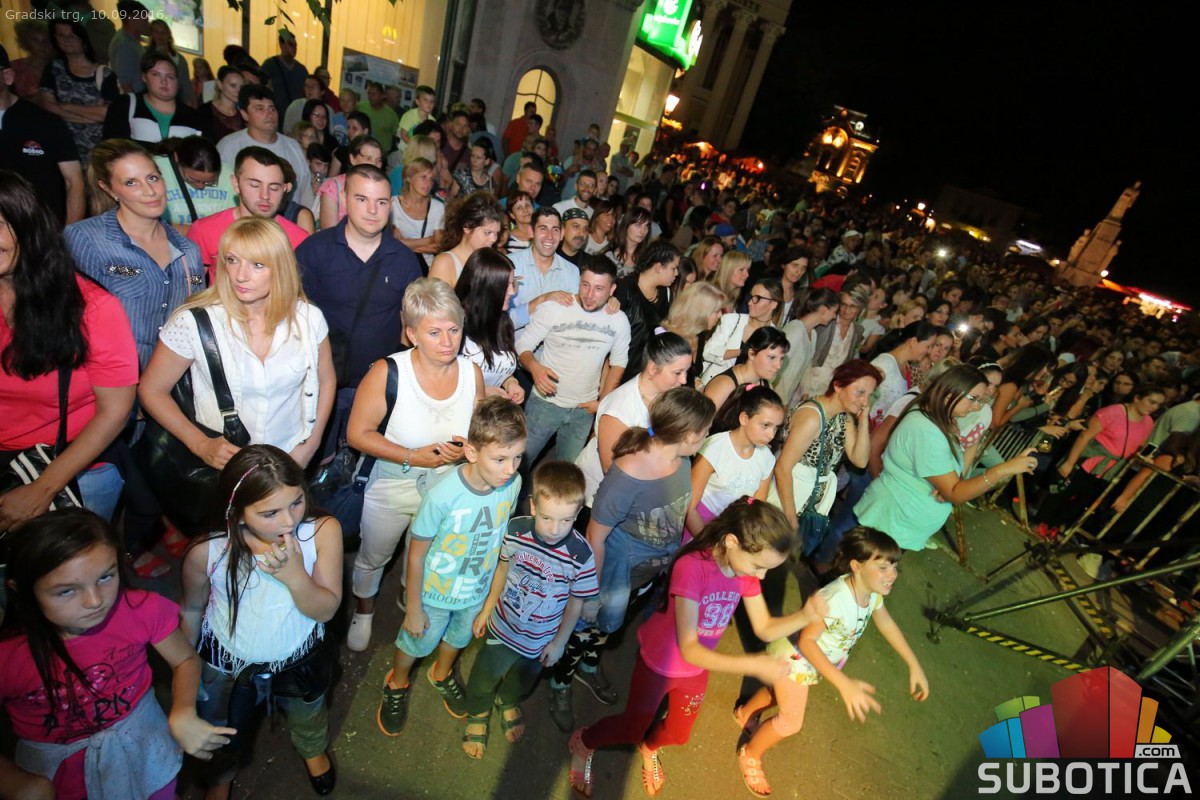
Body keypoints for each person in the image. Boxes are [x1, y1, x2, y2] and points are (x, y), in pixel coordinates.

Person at [567, 498, 827, 797]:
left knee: (678, 735)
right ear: (732, 542)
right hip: (660, 665)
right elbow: (689, 647)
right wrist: (752, 664)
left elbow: (765, 627)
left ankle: (648, 747)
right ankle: (584, 742)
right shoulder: (692, 567)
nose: (761, 576)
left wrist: (805, 616)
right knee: (631, 727)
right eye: (759, 566)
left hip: (697, 668)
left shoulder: (744, 572)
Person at [0, 510, 232, 800]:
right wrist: (14, 781)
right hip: (56, 773)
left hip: (145, 748)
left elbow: (185, 659)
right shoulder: (7, 656)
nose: (95, 600)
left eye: (106, 577)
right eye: (66, 591)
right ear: (22, 591)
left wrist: (183, 709)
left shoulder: (141, 609)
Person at [549, 388, 715, 733]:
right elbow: (595, 536)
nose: (707, 437)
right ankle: (560, 680)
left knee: (608, 627)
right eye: (705, 432)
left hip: (643, 574)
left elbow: (676, 512)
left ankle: (588, 665)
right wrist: (591, 594)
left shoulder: (682, 461)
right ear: (687, 435)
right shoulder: (627, 475)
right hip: (612, 573)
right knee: (585, 628)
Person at [179, 446, 342, 796]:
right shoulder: (207, 551)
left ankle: (312, 748)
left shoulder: (321, 532)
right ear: (237, 513)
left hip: (298, 658)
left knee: (307, 711)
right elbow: (191, 609)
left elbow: (326, 610)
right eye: (270, 513)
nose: (289, 521)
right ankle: (221, 775)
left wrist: (295, 576)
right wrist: (186, 669)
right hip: (225, 664)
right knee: (221, 723)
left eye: (296, 502)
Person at [140, 216, 335, 484]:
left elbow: (326, 380)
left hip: (290, 459)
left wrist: (311, 445)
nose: (241, 275)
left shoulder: (309, 318)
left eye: (257, 265)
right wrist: (199, 444)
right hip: (223, 470)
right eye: (232, 260)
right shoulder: (193, 322)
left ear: (281, 267)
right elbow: (151, 390)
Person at [736, 528, 929, 797]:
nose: (892, 574)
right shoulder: (835, 598)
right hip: (795, 660)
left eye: (894, 566)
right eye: (883, 567)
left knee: (779, 694)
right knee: (791, 721)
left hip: (809, 662)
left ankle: (745, 714)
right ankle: (751, 754)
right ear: (857, 567)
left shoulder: (872, 593)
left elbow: (885, 622)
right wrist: (843, 684)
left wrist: (913, 664)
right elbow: (807, 642)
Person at [345, 279, 483, 651]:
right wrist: (413, 456)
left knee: (426, 551)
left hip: (446, 486)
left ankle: (411, 595)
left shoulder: (471, 373)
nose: (447, 341)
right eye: (434, 332)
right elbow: (357, 434)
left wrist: (466, 450)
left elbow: (477, 432)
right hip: (393, 483)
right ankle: (364, 608)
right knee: (375, 554)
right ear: (411, 334)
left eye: (454, 330)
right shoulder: (388, 372)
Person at [377, 397, 525, 733]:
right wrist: (414, 608)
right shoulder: (442, 496)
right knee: (415, 643)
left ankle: (441, 674)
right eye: (500, 459)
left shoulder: (512, 484)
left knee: (459, 638)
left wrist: (490, 598)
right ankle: (397, 682)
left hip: (476, 590)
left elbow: (500, 539)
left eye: (517, 457)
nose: (511, 469)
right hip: (434, 595)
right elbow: (416, 554)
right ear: (472, 452)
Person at [0, 171, 137, 530]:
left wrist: (43, 488)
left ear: (30, 227)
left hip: (71, 469)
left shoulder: (92, 308)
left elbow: (115, 411)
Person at [460, 460, 598, 758]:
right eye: (547, 517)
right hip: (503, 626)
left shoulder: (581, 554)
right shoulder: (515, 530)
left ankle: (508, 701)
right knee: (485, 675)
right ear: (533, 505)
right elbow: (502, 567)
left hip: (540, 640)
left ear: (578, 513)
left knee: (522, 680)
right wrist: (486, 609)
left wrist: (559, 643)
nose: (554, 529)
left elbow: (576, 601)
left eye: (566, 520)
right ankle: (477, 713)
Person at [854, 365, 1040, 551]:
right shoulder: (927, 430)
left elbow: (952, 480)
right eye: (973, 399)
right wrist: (1004, 469)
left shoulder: (941, 420)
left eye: (980, 401)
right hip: (890, 523)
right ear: (951, 393)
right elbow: (956, 493)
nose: (976, 407)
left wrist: (949, 485)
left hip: (899, 525)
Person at [65, 139, 204, 369]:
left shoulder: (188, 251)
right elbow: (66, 318)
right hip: (107, 378)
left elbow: (194, 324)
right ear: (108, 189)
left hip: (171, 380)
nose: (150, 191)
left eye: (153, 178)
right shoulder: (86, 239)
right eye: (131, 182)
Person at [518, 256, 631, 466]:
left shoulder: (619, 320)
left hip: (583, 410)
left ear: (612, 290)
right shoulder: (555, 308)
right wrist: (535, 368)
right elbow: (522, 346)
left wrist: (602, 403)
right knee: (519, 464)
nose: (589, 294)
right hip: (544, 404)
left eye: (599, 288)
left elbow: (618, 363)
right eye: (585, 285)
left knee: (566, 472)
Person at [771, 360, 879, 565]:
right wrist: (791, 520)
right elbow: (783, 468)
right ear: (838, 385)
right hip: (783, 498)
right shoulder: (812, 417)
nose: (865, 401)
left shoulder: (844, 418)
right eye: (860, 392)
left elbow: (860, 460)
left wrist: (864, 419)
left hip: (804, 500)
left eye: (869, 395)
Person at [186, 147, 311, 281]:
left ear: (285, 188)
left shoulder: (300, 240)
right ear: (236, 183)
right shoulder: (205, 230)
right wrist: (197, 289)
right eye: (254, 185)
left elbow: (303, 287)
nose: (265, 195)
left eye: (274, 188)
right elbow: (192, 279)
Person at [0, 45, 86, 227]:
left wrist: (71, 234)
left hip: (40, 229)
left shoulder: (44, 122)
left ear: (7, 76)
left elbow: (74, 181)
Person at [687, 388, 785, 532]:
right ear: (744, 418)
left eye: (776, 428)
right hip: (698, 525)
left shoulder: (766, 459)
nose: (771, 435)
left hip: (732, 529)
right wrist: (707, 541)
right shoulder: (715, 447)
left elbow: (754, 510)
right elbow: (689, 508)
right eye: (765, 425)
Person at [216, 83, 314, 210]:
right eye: (260, 109)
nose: (269, 114)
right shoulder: (228, 147)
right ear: (244, 114)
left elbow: (305, 191)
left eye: (272, 109)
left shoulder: (293, 146)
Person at [38, 18, 119, 164]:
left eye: (72, 35)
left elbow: (107, 114)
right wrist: (90, 116)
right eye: (61, 35)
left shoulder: (104, 74)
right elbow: (48, 107)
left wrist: (64, 106)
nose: (66, 40)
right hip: (63, 150)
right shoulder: (53, 69)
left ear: (83, 38)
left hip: (99, 152)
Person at [456, 247, 524, 403]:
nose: (512, 291)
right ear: (487, 286)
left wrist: (510, 383)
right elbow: (440, 379)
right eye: (506, 285)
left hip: (488, 415)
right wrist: (483, 391)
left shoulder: (503, 321)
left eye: (513, 283)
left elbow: (497, 368)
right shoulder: (455, 324)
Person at [101, 52, 203, 145]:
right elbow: (112, 149)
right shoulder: (125, 106)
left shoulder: (194, 117)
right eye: (156, 74)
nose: (164, 81)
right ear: (144, 77)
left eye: (170, 77)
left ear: (177, 83)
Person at [508, 207, 581, 332]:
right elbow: (501, 321)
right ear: (531, 231)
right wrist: (542, 300)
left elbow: (573, 319)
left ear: (562, 234)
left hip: (555, 343)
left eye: (555, 230)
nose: (550, 236)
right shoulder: (510, 265)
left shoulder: (571, 271)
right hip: (515, 342)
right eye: (543, 229)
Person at [614, 241, 681, 378]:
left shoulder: (666, 293)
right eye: (673, 268)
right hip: (620, 370)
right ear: (659, 267)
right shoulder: (624, 288)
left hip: (648, 372)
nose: (677, 273)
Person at [699, 277, 783, 387]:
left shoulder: (776, 337)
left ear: (773, 304)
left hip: (744, 392)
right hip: (714, 384)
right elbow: (707, 352)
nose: (750, 303)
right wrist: (741, 352)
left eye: (757, 298)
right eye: (751, 297)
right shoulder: (732, 320)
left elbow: (772, 373)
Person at [867, 320, 940, 430]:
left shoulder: (908, 367)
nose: (929, 351)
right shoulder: (883, 365)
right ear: (913, 341)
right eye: (928, 346)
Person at [773, 288, 839, 409]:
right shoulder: (795, 330)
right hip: (775, 397)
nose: (834, 316)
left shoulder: (813, 334)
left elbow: (807, 366)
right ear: (823, 310)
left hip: (786, 399)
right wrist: (783, 401)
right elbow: (777, 369)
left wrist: (805, 391)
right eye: (834, 312)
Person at [155, 136, 236, 231]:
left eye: (209, 182)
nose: (201, 186)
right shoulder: (156, 169)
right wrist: (199, 232)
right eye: (192, 179)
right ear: (176, 158)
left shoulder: (228, 172)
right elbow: (149, 226)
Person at [703, 327, 790, 414]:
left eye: (781, 359)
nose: (778, 366)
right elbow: (700, 420)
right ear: (751, 354)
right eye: (771, 357)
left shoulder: (766, 386)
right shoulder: (725, 385)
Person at [430, 190, 506, 288]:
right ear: (467, 227)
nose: (493, 239)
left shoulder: (492, 259)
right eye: (487, 233)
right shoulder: (444, 263)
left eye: (496, 233)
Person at [660, 281, 727, 385]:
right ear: (700, 311)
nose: (720, 316)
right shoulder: (670, 340)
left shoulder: (699, 335)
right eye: (716, 311)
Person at [317, 135, 384, 231]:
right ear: (352, 159)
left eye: (378, 160)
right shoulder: (333, 186)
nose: (374, 165)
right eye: (368, 159)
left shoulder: (381, 188)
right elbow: (329, 232)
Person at [391, 158, 446, 271]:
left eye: (431, 179)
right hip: (398, 266)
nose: (428, 183)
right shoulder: (393, 205)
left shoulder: (437, 207)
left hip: (427, 269)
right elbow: (391, 244)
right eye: (423, 177)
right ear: (409, 177)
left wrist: (404, 244)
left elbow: (439, 247)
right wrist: (428, 240)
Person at [261, 30, 308, 119]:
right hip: (274, 114)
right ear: (281, 45)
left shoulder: (301, 70)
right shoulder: (269, 66)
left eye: (295, 45)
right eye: (290, 44)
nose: (294, 48)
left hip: (296, 116)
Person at [107, 0, 150, 93]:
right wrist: (134, 101)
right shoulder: (125, 45)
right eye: (144, 19)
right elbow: (124, 83)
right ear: (132, 19)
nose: (147, 23)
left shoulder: (131, 41)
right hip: (135, 97)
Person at [147, 19, 192, 106]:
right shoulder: (145, 54)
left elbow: (186, 86)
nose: (160, 35)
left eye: (163, 32)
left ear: (168, 34)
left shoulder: (180, 59)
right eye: (156, 32)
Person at [196, 65, 245, 141]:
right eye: (233, 85)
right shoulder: (205, 111)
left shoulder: (244, 113)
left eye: (241, 87)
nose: (238, 91)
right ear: (220, 84)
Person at [607, 206, 652, 277]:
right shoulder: (609, 255)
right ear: (626, 225)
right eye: (638, 225)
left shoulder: (647, 259)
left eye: (646, 226)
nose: (643, 231)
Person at [358, 81, 399, 153]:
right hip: (361, 149)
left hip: (382, 152)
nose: (370, 96)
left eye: (374, 94)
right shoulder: (360, 107)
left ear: (382, 96)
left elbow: (397, 135)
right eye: (369, 93)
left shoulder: (391, 115)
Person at [504, 188, 535, 253]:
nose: (525, 210)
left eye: (527, 205)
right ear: (512, 214)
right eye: (519, 208)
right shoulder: (506, 240)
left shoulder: (542, 234)